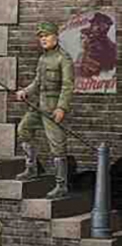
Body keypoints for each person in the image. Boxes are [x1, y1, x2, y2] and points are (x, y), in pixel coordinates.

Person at [15, 21, 74, 200]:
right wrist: (25, 91)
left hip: (53, 108)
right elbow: (37, 82)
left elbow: (68, 86)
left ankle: (61, 185)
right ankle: (32, 168)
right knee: (23, 129)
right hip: (39, 106)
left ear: (56, 36)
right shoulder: (42, 59)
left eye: (46, 35)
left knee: (57, 146)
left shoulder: (64, 59)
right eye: (41, 36)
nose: (43, 39)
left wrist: (61, 108)